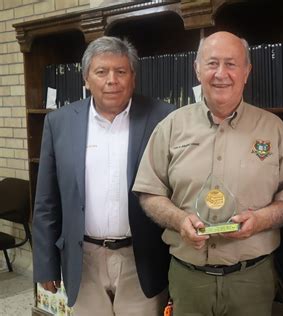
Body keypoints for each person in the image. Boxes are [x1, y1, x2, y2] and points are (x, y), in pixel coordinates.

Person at [132, 31, 283, 316]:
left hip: (252, 280)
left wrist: (260, 221)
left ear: (247, 71)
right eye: (212, 63)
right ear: (197, 69)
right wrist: (179, 220)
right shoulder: (171, 127)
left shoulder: (274, 130)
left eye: (231, 64)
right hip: (188, 280)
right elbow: (149, 193)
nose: (221, 73)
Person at [32, 36, 175, 315]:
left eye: (121, 71)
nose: (112, 80)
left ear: (133, 77)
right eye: (101, 72)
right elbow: (47, 201)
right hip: (82, 259)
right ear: (86, 78)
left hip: (142, 258)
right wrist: (46, 263)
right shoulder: (59, 122)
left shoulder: (164, 118)